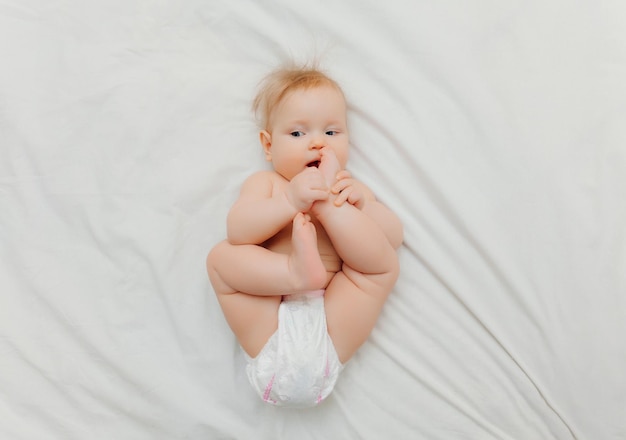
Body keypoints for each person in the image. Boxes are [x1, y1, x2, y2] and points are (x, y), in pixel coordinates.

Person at [206, 64, 403, 407]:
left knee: (382, 266)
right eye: (297, 134)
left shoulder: (349, 188)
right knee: (223, 257)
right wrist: (289, 201)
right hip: (270, 328)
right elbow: (238, 231)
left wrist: (354, 206)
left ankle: (310, 248)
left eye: (331, 132)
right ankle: (293, 273)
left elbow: (393, 236)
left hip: (331, 325)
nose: (316, 143)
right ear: (268, 145)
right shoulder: (267, 185)